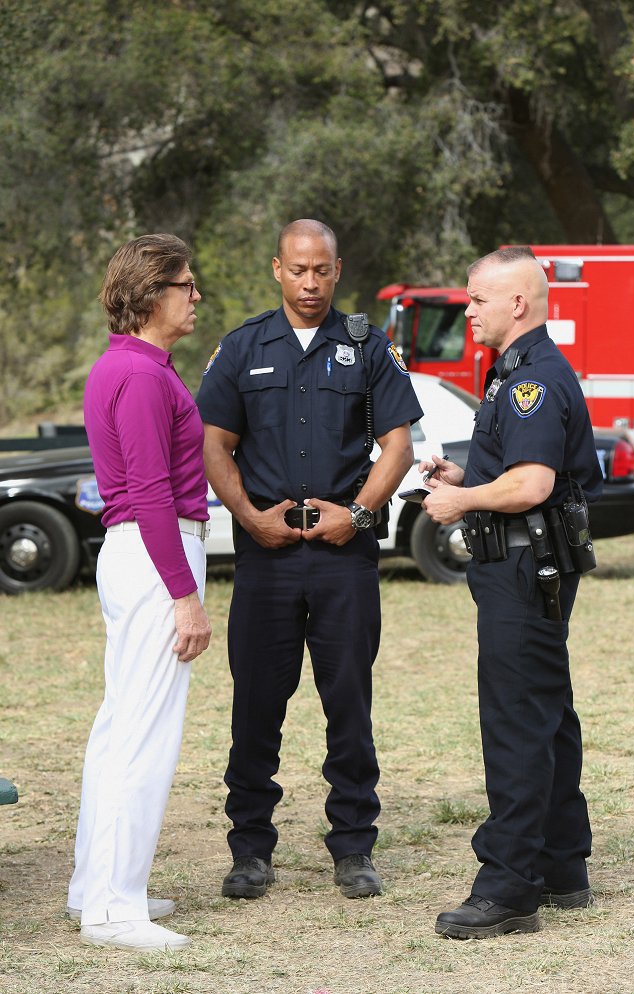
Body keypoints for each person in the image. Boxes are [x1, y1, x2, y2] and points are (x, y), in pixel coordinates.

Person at [196, 218, 423, 900]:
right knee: (256, 707)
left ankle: (353, 849)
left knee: (347, 704)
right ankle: (250, 851)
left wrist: (354, 515)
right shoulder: (242, 349)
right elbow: (214, 445)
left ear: (337, 268)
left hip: (342, 557)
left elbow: (397, 447)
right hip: (265, 557)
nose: (310, 282)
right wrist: (247, 517)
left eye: (321, 269)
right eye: (297, 269)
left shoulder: (366, 347)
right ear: (276, 269)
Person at [420, 246, 603, 939]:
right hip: (528, 563)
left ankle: (508, 888)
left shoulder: (532, 380)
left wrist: (460, 498)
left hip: (522, 569)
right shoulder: (515, 374)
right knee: (546, 712)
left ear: (517, 303)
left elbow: (531, 486)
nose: (466, 311)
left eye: (475, 300)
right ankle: (561, 866)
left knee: (516, 722)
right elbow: (519, 468)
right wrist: (463, 470)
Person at [67, 234, 213, 952]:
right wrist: (185, 596)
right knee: (140, 738)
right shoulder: (142, 375)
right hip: (155, 555)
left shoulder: (130, 367)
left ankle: (95, 888)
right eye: (187, 285)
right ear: (154, 292)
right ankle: (114, 908)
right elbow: (152, 492)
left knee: (119, 727)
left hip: (139, 554)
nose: (195, 297)